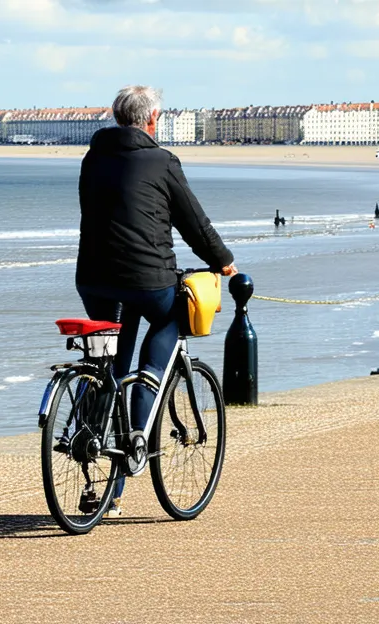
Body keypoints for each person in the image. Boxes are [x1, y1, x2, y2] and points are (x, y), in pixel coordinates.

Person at [76, 86, 237, 516]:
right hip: (148, 282)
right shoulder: (163, 161)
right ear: (152, 120)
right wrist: (223, 262)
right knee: (164, 333)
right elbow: (193, 223)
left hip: (93, 280)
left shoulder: (93, 158)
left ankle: (95, 459)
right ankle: (134, 448)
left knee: (108, 366)